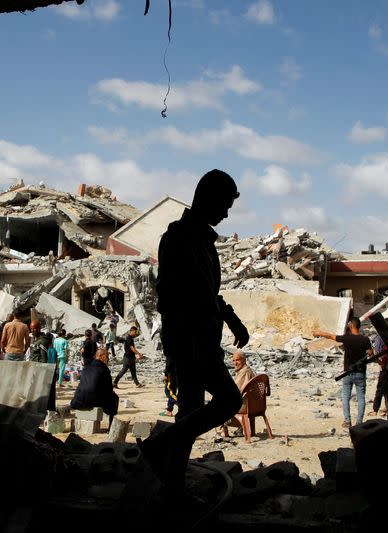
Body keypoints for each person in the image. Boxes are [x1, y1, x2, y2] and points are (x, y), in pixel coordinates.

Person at [140, 169, 248, 499]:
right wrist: (223, 317)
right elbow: (186, 294)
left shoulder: (198, 238)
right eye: (225, 204)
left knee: (189, 413)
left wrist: (228, 317)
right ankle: (160, 445)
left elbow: (205, 290)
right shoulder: (181, 237)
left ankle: (172, 488)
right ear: (209, 199)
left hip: (199, 338)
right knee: (230, 399)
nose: (227, 212)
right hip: (192, 341)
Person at [313, 317, 373, 428]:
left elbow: (331, 336)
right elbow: (370, 353)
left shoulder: (347, 338)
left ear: (351, 325)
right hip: (360, 372)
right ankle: (359, 422)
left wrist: (319, 333)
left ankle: (347, 420)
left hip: (347, 373)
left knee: (346, 397)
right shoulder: (365, 339)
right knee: (361, 398)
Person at [70, 348, 118, 424]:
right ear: (100, 356)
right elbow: (109, 388)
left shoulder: (86, 367)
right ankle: (111, 425)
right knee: (114, 398)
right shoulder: (104, 369)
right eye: (107, 357)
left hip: (77, 401)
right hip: (93, 401)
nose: (108, 359)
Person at [29, 319, 56, 409]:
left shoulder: (43, 341)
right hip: (34, 368)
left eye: (34, 329)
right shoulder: (35, 339)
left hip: (40, 370)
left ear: (39, 328)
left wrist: (41, 372)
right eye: (31, 329)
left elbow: (44, 358)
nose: (32, 331)